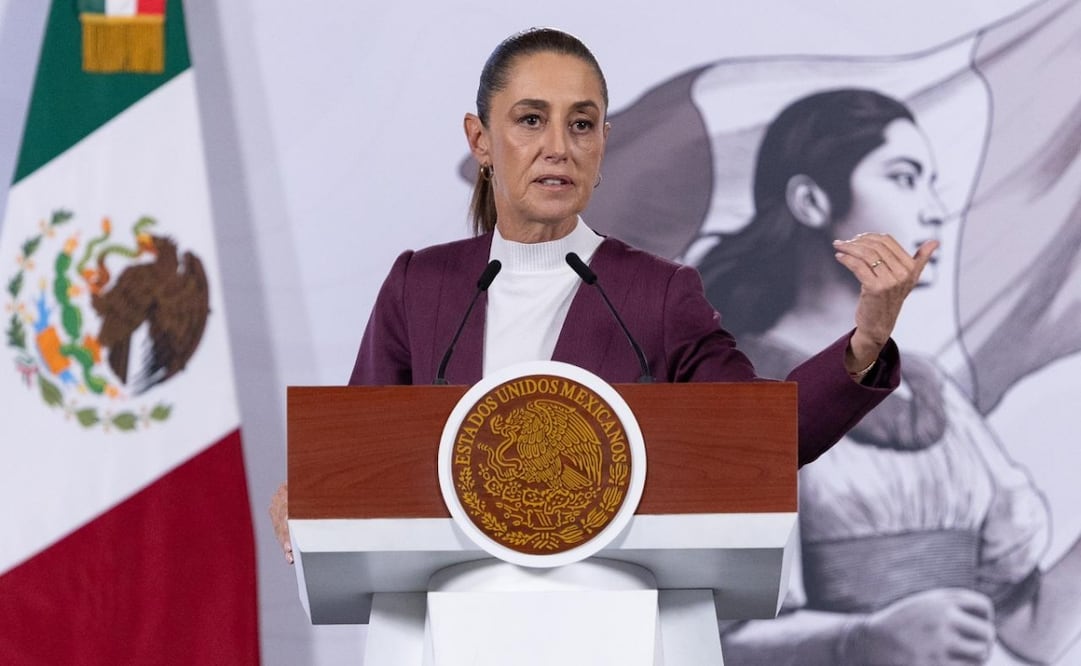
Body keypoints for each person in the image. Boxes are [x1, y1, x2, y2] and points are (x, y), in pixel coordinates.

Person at [269, 30, 936, 574]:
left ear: (602, 145)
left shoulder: (657, 294)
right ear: (480, 141)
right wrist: (314, 495)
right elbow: (364, 460)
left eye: (581, 124)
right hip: (455, 625)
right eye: (531, 120)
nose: (558, 147)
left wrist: (866, 341)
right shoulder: (421, 286)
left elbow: (764, 438)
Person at [705, 89, 1081, 665]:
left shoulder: (931, 392)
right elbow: (712, 638)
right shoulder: (734, 390)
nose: (933, 210)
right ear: (811, 202)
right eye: (904, 178)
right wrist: (862, 640)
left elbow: (1031, 629)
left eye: (932, 183)